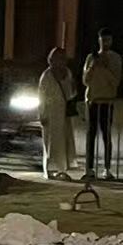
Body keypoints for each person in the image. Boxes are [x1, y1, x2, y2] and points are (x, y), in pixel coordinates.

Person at [80, 29, 123, 178]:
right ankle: (89, 168)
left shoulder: (116, 58)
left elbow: (116, 81)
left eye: (108, 40)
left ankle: (107, 168)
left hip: (107, 100)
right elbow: (85, 81)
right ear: (98, 40)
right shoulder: (90, 58)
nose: (105, 43)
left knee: (106, 134)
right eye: (102, 40)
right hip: (92, 100)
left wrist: (105, 67)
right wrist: (93, 66)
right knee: (90, 134)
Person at [38, 46, 78, 180]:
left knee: (64, 141)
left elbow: (71, 93)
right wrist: (42, 114)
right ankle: (50, 169)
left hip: (64, 112)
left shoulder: (67, 73)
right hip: (51, 113)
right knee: (51, 141)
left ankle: (62, 169)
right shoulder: (47, 76)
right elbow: (42, 96)